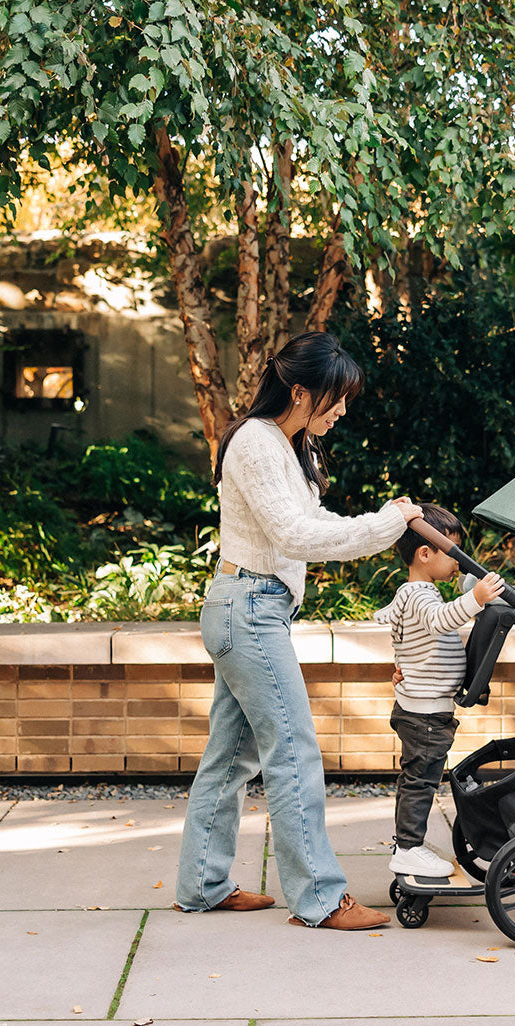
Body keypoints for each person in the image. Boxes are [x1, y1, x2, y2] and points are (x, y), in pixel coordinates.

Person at [175, 331, 423, 930]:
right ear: (299, 391)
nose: (341, 411)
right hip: (249, 610)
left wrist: (381, 522)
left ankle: (202, 885)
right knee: (293, 753)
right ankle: (318, 897)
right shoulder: (256, 444)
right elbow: (293, 535)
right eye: (334, 399)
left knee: (231, 758)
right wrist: (384, 527)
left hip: (253, 609)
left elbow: (313, 522)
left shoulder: (287, 447)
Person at [374, 504, 505, 877]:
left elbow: (406, 637)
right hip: (426, 714)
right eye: (453, 553)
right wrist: (476, 598)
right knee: (421, 781)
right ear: (425, 553)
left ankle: (407, 843)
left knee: (417, 779)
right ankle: (408, 848)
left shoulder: (415, 592)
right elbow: (438, 621)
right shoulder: (421, 596)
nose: (457, 563)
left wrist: (405, 669)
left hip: (422, 707)